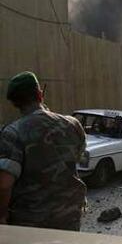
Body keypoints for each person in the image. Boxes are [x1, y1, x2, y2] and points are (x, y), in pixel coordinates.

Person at [0, 71, 86, 230]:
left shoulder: (12, 133)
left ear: (14, 103)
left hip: (30, 224)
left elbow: (4, 185)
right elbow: (75, 161)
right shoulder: (73, 124)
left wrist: (2, 216)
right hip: (69, 216)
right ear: (40, 95)